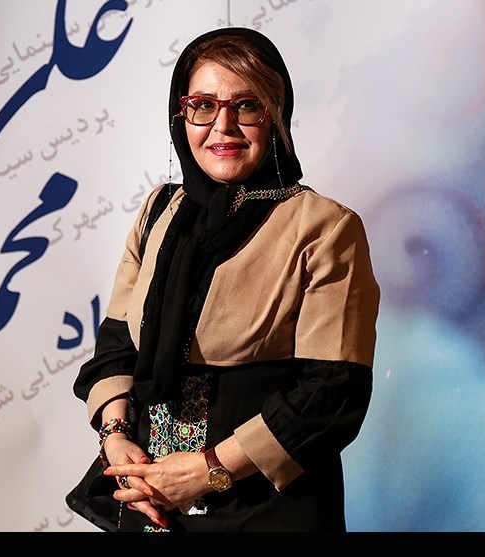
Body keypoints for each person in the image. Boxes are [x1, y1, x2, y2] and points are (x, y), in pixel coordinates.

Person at [71, 27, 380, 532]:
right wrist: (117, 439)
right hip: (149, 499)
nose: (224, 125)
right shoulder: (160, 212)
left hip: (266, 508)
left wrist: (208, 471)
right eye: (203, 106)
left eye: (247, 106)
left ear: (276, 115)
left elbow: (332, 392)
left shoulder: (325, 228)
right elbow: (118, 343)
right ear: (181, 115)